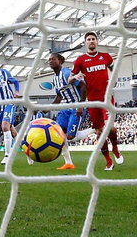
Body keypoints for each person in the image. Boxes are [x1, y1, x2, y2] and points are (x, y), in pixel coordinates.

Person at [68, 32, 123, 171]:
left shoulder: (105, 57)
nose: (91, 41)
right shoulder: (80, 60)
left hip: (106, 98)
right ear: (85, 43)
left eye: (93, 39)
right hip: (92, 101)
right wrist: (76, 77)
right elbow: (69, 79)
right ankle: (108, 161)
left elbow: (114, 70)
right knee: (99, 132)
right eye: (88, 39)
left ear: (97, 42)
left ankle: (115, 148)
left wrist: (114, 80)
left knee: (111, 127)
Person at [47, 53, 90, 170]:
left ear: (60, 61)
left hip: (76, 107)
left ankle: (93, 130)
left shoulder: (66, 73)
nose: (51, 61)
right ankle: (68, 163)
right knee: (60, 135)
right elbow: (59, 97)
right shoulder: (55, 78)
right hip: (64, 108)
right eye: (49, 60)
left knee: (70, 136)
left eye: (53, 59)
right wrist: (48, 108)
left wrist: (80, 105)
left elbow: (83, 86)